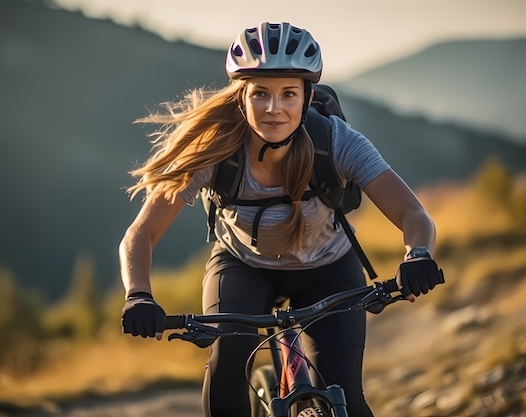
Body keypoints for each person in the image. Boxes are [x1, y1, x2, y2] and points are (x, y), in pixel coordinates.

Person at [120, 22, 444, 417]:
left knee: (347, 398)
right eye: (260, 94)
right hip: (243, 267)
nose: (274, 109)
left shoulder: (337, 142)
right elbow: (141, 232)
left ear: (307, 97)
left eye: (288, 93)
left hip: (329, 269)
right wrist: (138, 294)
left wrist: (418, 254)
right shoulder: (217, 149)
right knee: (227, 371)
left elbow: (413, 213)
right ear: (242, 98)